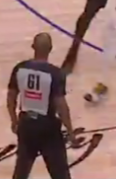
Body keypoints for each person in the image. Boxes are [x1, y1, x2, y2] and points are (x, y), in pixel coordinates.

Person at [7, 33, 74, 179]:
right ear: (50, 49)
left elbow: (11, 97)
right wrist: (70, 130)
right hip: (47, 127)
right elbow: (61, 106)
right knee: (60, 174)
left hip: (26, 124)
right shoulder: (55, 73)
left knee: (21, 173)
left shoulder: (20, 68)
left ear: (33, 47)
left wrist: (14, 120)